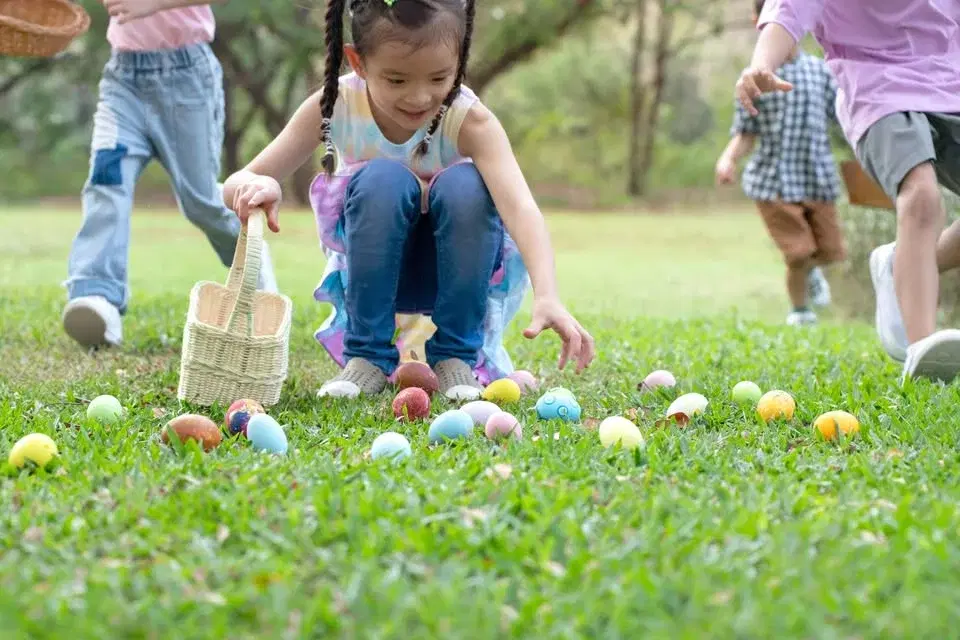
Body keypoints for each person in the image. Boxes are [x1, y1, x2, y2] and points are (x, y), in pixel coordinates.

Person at [222, 0, 595, 399]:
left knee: (467, 184)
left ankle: (455, 358)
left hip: (454, 272)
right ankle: (366, 358)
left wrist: (548, 294)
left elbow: (520, 207)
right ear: (358, 62)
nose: (419, 97)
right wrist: (262, 186)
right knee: (383, 178)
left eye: (439, 78)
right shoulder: (336, 104)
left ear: (459, 59)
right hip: (377, 272)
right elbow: (237, 181)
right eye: (397, 80)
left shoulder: (469, 120)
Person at [737, 0, 960, 384]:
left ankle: (901, 263)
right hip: (880, 87)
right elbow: (789, 9)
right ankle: (922, 349)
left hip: (950, 85)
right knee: (921, 196)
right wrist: (762, 62)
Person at [61, 0, 276, 349]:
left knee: (200, 202)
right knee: (106, 181)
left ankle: (252, 261)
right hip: (123, 79)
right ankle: (97, 296)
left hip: (186, 78)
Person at [716, 0, 845, 328]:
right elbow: (746, 132)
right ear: (757, 22)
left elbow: (843, 119)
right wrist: (729, 158)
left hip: (816, 177)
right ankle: (800, 312)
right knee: (798, 252)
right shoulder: (752, 80)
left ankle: (811, 274)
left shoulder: (820, 71)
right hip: (774, 182)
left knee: (830, 251)